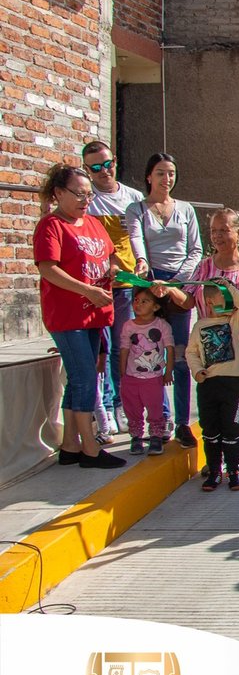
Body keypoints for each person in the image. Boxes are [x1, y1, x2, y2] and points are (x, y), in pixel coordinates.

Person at [163, 209, 239, 477]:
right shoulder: (205, 267)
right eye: (214, 231)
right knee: (216, 398)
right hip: (213, 344)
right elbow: (189, 301)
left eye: (224, 230)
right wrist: (169, 289)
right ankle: (220, 454)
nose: (218, 236)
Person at [34, 165, 124, 469]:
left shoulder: (93, 223)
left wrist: (113, 268)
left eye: (89, 195)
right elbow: (48, 268)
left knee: (79, 379)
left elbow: (110, 254)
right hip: (68, 315)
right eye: (79, 194)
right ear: (59, 193)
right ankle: (90, 447)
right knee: (85, 377)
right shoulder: (51, 225)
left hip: (94, 314)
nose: (86, 200)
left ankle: (70, 445)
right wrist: (87, 290)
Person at [125, 153, 203, 449]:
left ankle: (182, 422)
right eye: (160, 173)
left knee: (179, 356)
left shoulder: (185, 209)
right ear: (149, 176)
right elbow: (136, 239)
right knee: (150, 356)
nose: (166, 179)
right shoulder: (137, 209)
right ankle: (159, 421)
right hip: (150, 285)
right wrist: (144, 266)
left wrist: (175, 283)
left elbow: (195, 250)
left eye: (171, 173)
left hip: (177, 286)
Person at [82, 140, 143, 440]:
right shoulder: (86, 199)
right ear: (87, 170)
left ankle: (121, 403)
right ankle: (104, 406)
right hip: (96, 287)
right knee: (101, 350)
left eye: (107, 164)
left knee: (123, 347)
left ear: (115, 161)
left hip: (127, 285)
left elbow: (140, 237)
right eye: (96, 167)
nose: (104, 171)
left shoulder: (133, 198)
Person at [186, 279, 239, 492]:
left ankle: (233, 470)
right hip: (208, 384)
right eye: (224, 299)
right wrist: (197, 370)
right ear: (209, 302)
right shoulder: (200, 326)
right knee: (210, 430)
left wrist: (230, 288)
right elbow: (191, 352)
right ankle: (215, 470)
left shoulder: (236, 321)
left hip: (233, 385)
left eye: (230, 299)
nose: (230, 302)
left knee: (232, 429)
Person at [117, 288, 173, 456]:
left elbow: (170, 349)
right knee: (132, 408)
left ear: (155, 307)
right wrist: (122, 372)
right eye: (136, 300)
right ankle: (136, 437)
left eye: (144, 301)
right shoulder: (128, 326)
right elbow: (124, 349)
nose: (138, 304)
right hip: (131, 376)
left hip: (153, 378)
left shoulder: (162, 325)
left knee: (155, 407)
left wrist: (168, 372)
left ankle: (156, 437)